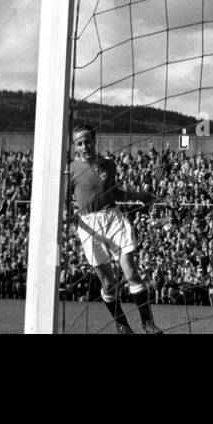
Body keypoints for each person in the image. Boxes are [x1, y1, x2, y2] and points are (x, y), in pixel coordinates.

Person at [69, 122, 162, 334]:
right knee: (108, 283)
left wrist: (139, 196)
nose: (84, 146)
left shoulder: (109, 165)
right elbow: (64, 200)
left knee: (130, 269)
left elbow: (114, 193)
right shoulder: (70, 170)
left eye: (87, 141)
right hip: (88, 224)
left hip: (112, 218)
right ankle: (121, 324)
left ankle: (148, 324)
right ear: (75, 146)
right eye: (80, 143)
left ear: (94, 141)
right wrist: (68, 217)